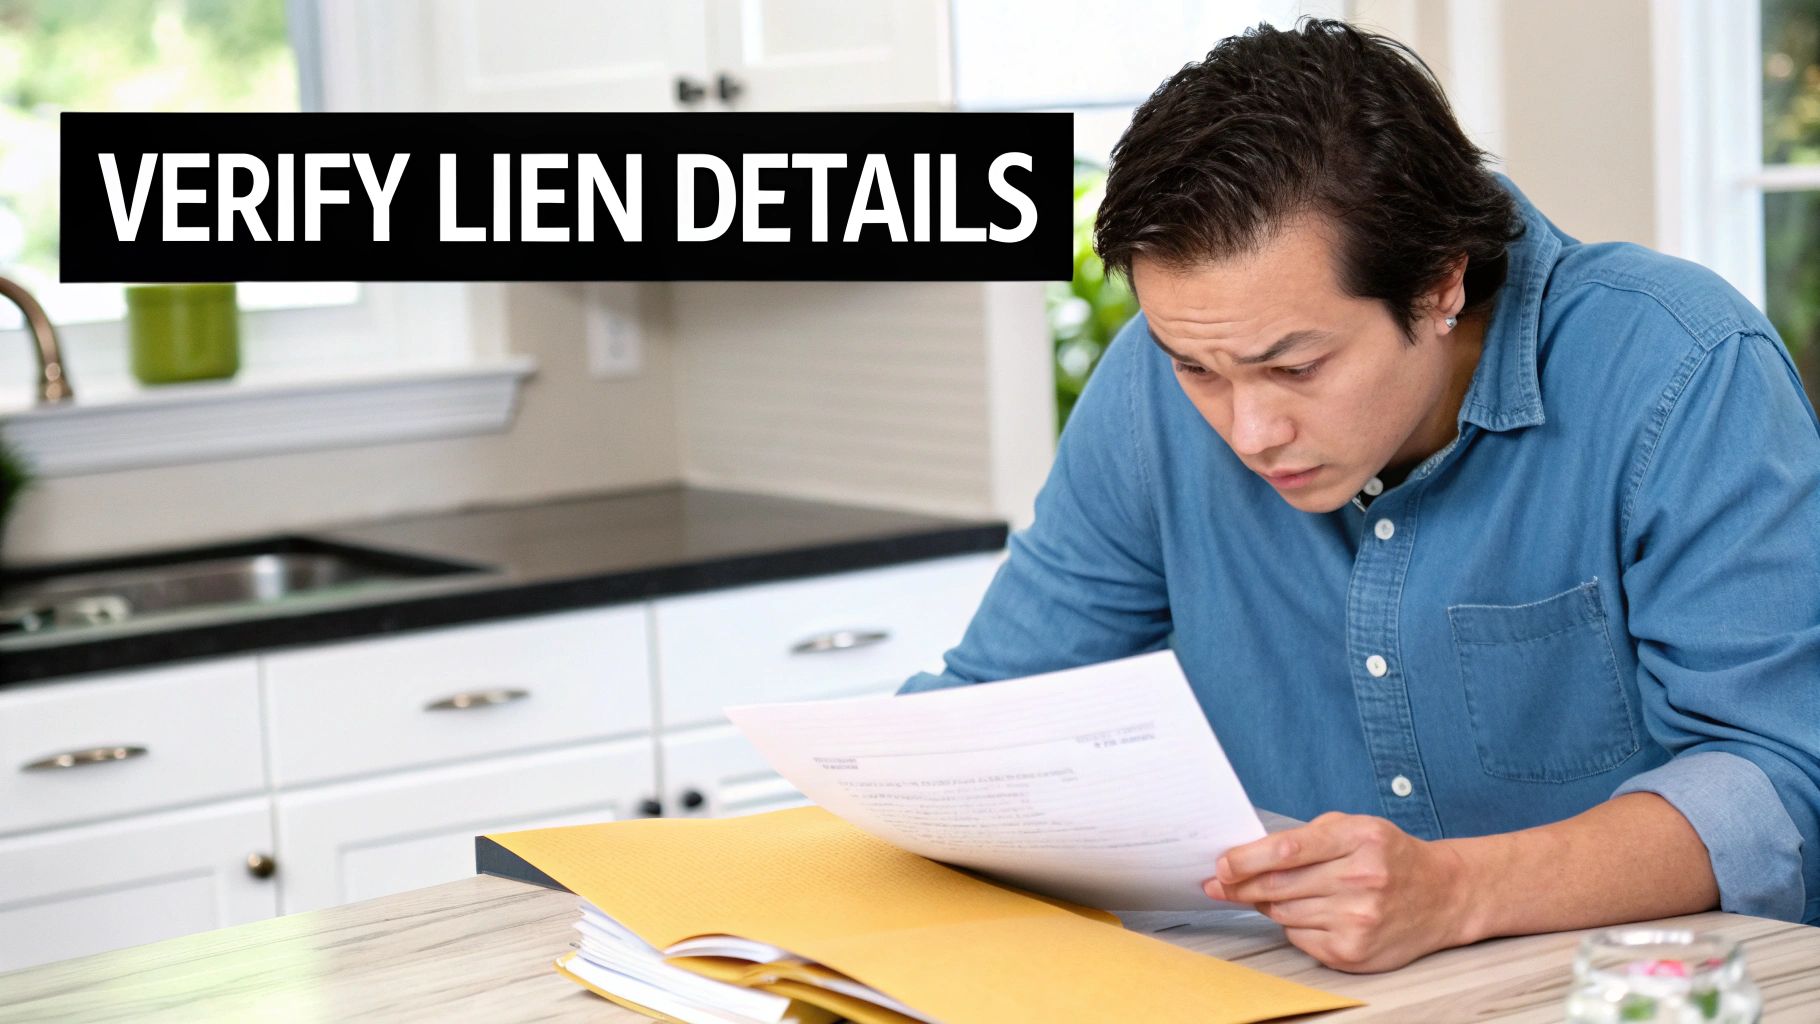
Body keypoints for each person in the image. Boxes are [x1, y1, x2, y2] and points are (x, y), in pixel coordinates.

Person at [899, 19, 1820, 973]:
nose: (1248, 431)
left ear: (1440, 286)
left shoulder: (1681, 366)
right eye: (1198, 369)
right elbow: (989, 712)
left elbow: (1784, 780)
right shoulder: (1149, 384)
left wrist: (1457, 890)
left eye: (1295, 367)